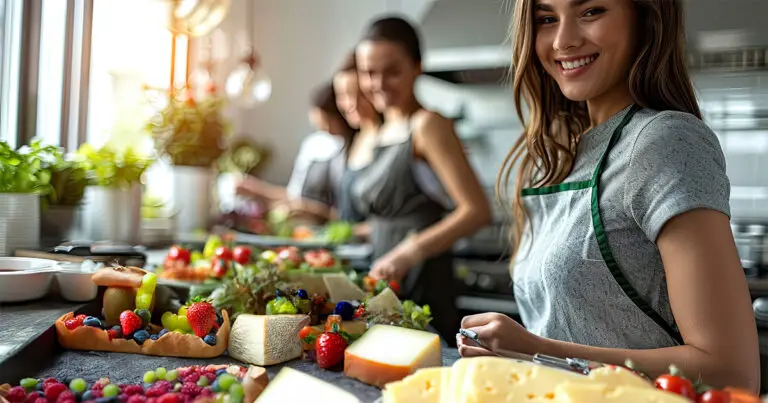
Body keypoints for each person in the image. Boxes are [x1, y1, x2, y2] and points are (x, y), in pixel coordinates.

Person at [457, 0, 759, 391]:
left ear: (643, 18)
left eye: (591, 11)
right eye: (547, 19)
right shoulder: (555, 155)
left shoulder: (664, 142)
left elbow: (731, 371)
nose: (563, 40)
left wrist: (537, 352)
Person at [343, 16, 492, 343]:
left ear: (417, 67)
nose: (378, 83)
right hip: (386, 286)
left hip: (423, 285)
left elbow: (477, 210)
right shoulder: (381, 131)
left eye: (392, 71)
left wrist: (409, 251)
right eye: (369, 72)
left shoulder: (427, 125)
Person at [236, 82, 352, 223]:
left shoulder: (353, 149)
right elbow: (295, 195)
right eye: (321, 127)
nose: (327, 133)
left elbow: (347, 214)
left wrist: (313, 210)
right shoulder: (315, 144)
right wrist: (258, 191)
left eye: (329, 124)